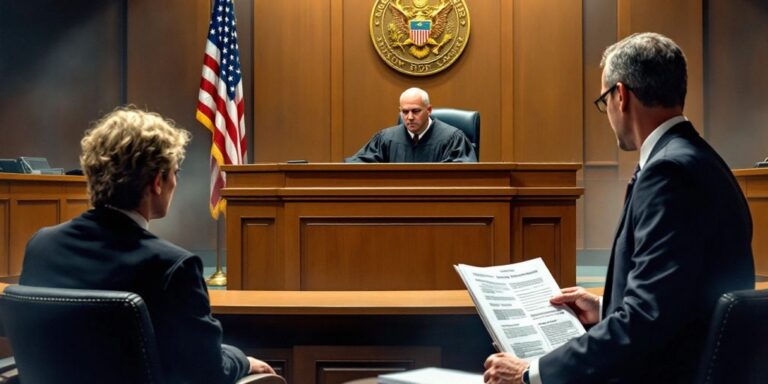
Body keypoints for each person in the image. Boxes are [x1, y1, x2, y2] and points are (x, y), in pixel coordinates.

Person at [483, 32, 754, 384]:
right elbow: (677, 295)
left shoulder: (667, 172)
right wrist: (605, 307)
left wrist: (530, 373)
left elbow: (646, 318)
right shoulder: (701, 158)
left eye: (604, 100)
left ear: (621, 95)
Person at [19, 107, 275, 384]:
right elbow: (207, 371)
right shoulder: (173, 267)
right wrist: (241, 359)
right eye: (175, 172)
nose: (175, 182)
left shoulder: (41, 246)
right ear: (157, 182)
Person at [345, 87, 477, 162]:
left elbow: (463, 175)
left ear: (429, 110)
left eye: (415, 111)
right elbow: (358, 165)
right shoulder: (386, 138)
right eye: (405, 112)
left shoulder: (452, 138)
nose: (409, 117)